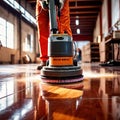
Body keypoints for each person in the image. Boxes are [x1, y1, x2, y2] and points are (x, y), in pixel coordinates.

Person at [36, 0, 72, 70]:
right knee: (42, 28)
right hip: (41, 2)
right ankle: (45, 60)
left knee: (63, 26)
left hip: (61, 1)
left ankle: (66, 57)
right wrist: (41, 1)